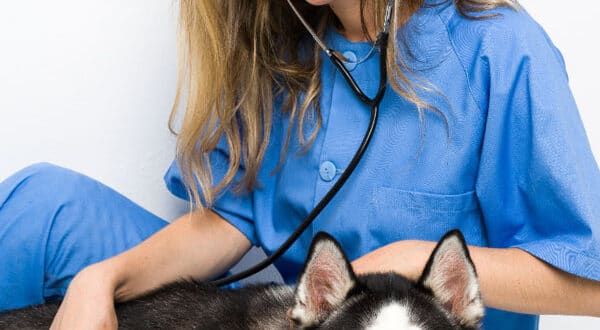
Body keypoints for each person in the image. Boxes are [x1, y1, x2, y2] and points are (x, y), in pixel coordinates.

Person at [1, 0, 599, 329]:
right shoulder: (289, 45)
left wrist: (409, 261)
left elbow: (591, 284)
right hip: (283, 310)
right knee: (39, 208)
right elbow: (230, 220)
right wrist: (101, 280)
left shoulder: (500, 47)